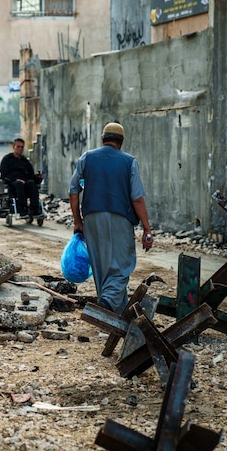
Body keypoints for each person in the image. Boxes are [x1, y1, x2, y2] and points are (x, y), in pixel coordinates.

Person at [68, 122, 153, 314]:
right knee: (122, 265)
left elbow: (73, 191)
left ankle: (114, 311)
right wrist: (147, 229)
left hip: (91, 218)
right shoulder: (129, 161)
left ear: (102, 139)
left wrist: (78, 221)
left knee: (101, 264)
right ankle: (106, 303)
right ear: (121, 142)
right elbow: (137, 199)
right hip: (120, 218)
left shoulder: (86, 158)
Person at [0, 138, 42, 219]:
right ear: (13, 147)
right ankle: (22, 210)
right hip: (12, 183)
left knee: (31, 183)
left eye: (22, 147)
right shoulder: (7, 159)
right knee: (19, 184)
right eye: (18, 147)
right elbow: (4, 174)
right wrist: (14, 180)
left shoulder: (24, 161)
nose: (20, 149)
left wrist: (37, 177)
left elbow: (31, 175)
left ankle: (35, 209)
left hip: (25, 183)